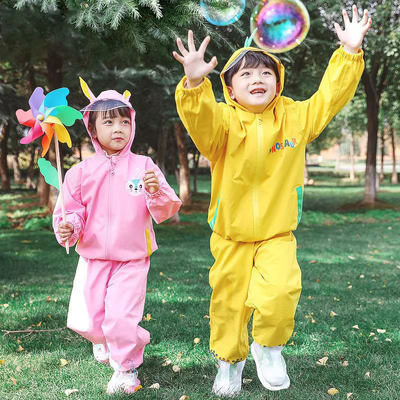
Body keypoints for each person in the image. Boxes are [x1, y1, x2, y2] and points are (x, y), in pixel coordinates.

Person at [173, 5, 371, 397]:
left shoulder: (295, 118)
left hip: (277, 233)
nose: (258, 78)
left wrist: (349, 53)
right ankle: (229, 363)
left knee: (280, 292)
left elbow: (329, 98)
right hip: (230, 236)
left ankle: (268, 347)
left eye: (266, 72)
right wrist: (195, 85)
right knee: (229, 305)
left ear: (277, 82)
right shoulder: (222, 125)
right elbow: (200, 119)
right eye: (245, 73)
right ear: (229, 88)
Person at [53, 78, 181, 395]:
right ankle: (105, 340)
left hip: (132, 258)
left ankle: (125, 369)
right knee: (88, 322)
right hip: (93, 258)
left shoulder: (144, 166)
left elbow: (165, 210)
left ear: (132, 124)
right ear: (93, 129)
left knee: (121, 319)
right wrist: (68, 226)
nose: (118, 127)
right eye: (109, 121)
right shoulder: (79, 173)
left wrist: (154, 191)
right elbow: (71, 212)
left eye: (125, 120)